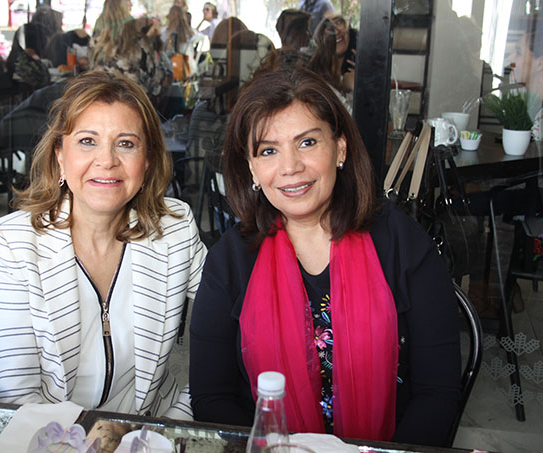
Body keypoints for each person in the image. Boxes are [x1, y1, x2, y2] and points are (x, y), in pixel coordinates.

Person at [189, 67, 461, 446]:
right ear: (252, 167)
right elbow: (211, 398)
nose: (290, 167)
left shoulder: (402, 244)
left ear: (340, 149)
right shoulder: (229, 261)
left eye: (307, 142)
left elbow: (438, 394)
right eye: (268, 150)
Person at [0, 70, 206, 419]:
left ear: (147, 160)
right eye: (87, 141)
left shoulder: (176, 229)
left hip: (149, 429)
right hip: (37, 433)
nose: (107, 160)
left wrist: (175, 423)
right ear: (59, 155)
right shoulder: (12, 243)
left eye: (126, 144)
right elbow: (15, 394)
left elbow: (232, 336)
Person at [91, 17, 173, 118]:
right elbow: (153, 78)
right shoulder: (143, 45)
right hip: (135, 102)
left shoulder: (109, 47)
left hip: (107, 101)